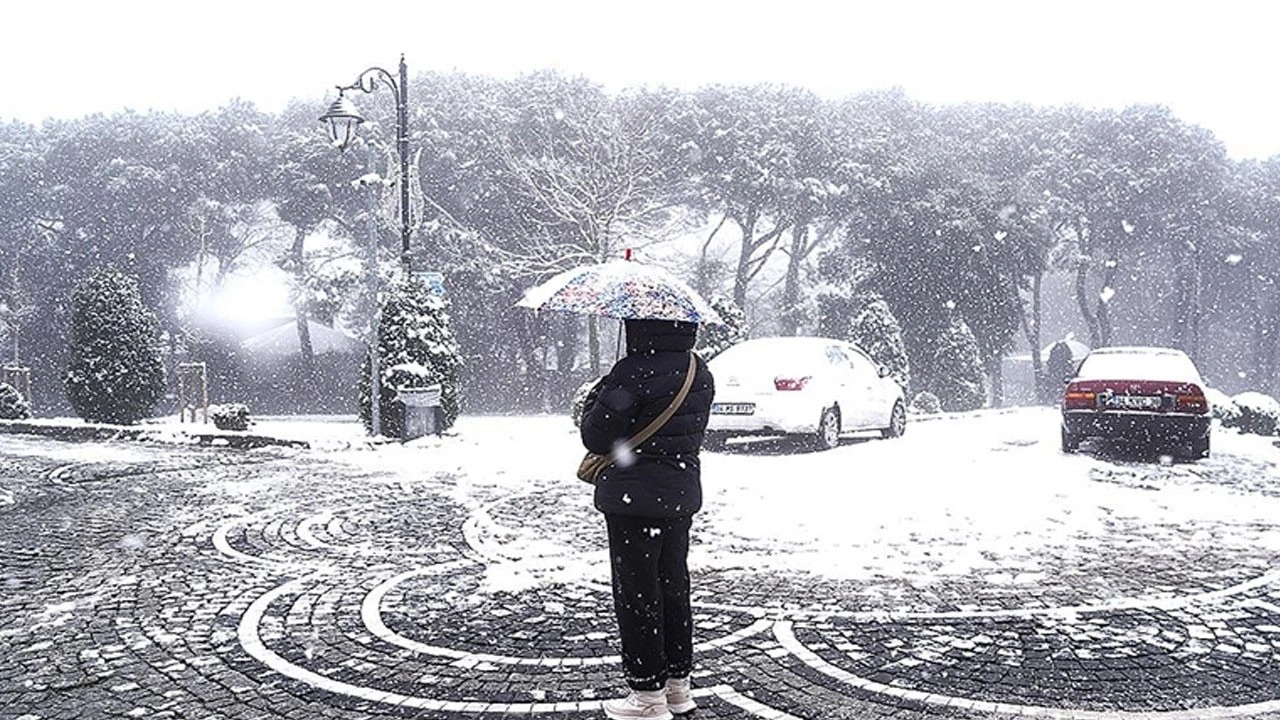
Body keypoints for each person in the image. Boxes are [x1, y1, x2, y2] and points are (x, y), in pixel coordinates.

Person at [580, 318, 715, 720]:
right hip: (678, 496)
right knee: (674, 588)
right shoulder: (699, 369)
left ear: (639, 326)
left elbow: (596, 437)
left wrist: (598, 396)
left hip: (633, 498)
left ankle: (646, 696)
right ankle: (678, 687)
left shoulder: (631, 371)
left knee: (638, 594)